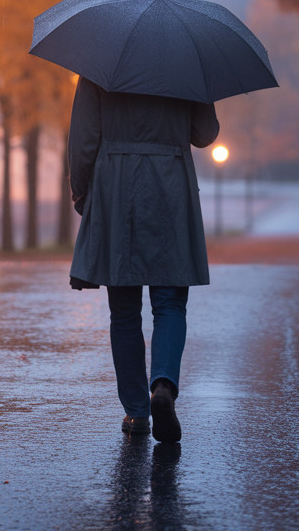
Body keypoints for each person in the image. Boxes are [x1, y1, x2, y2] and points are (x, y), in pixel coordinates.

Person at [67, 75, 219, 443]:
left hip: (116, 186)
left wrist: (83, 193)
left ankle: (136, 412)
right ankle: (163, 385)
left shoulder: (101, 63)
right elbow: (204, 133)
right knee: (169, 302)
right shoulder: (185, 63)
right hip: (170, 184)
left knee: (124, 308)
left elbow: (84, 138)